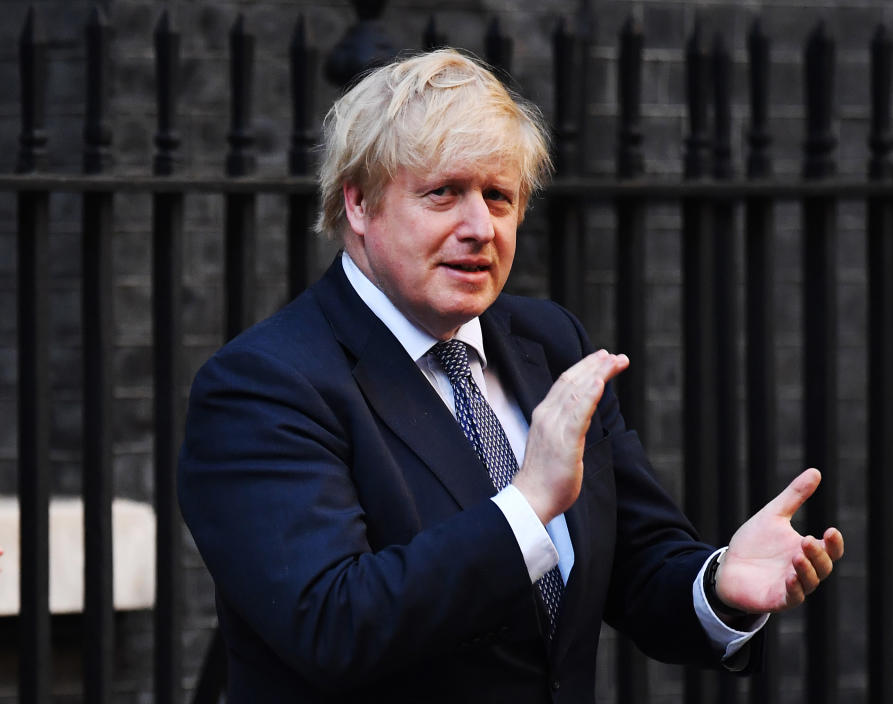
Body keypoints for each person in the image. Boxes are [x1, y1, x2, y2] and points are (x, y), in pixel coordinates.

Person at [178, 49, 844, 703]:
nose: (479, 228)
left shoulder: (548, 342)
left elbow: (639, 566)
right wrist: (527, 506)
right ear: (357, 204)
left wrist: (718, 586)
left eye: (499, 197)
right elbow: (334, 626)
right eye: (443, 194)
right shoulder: (262, 386)